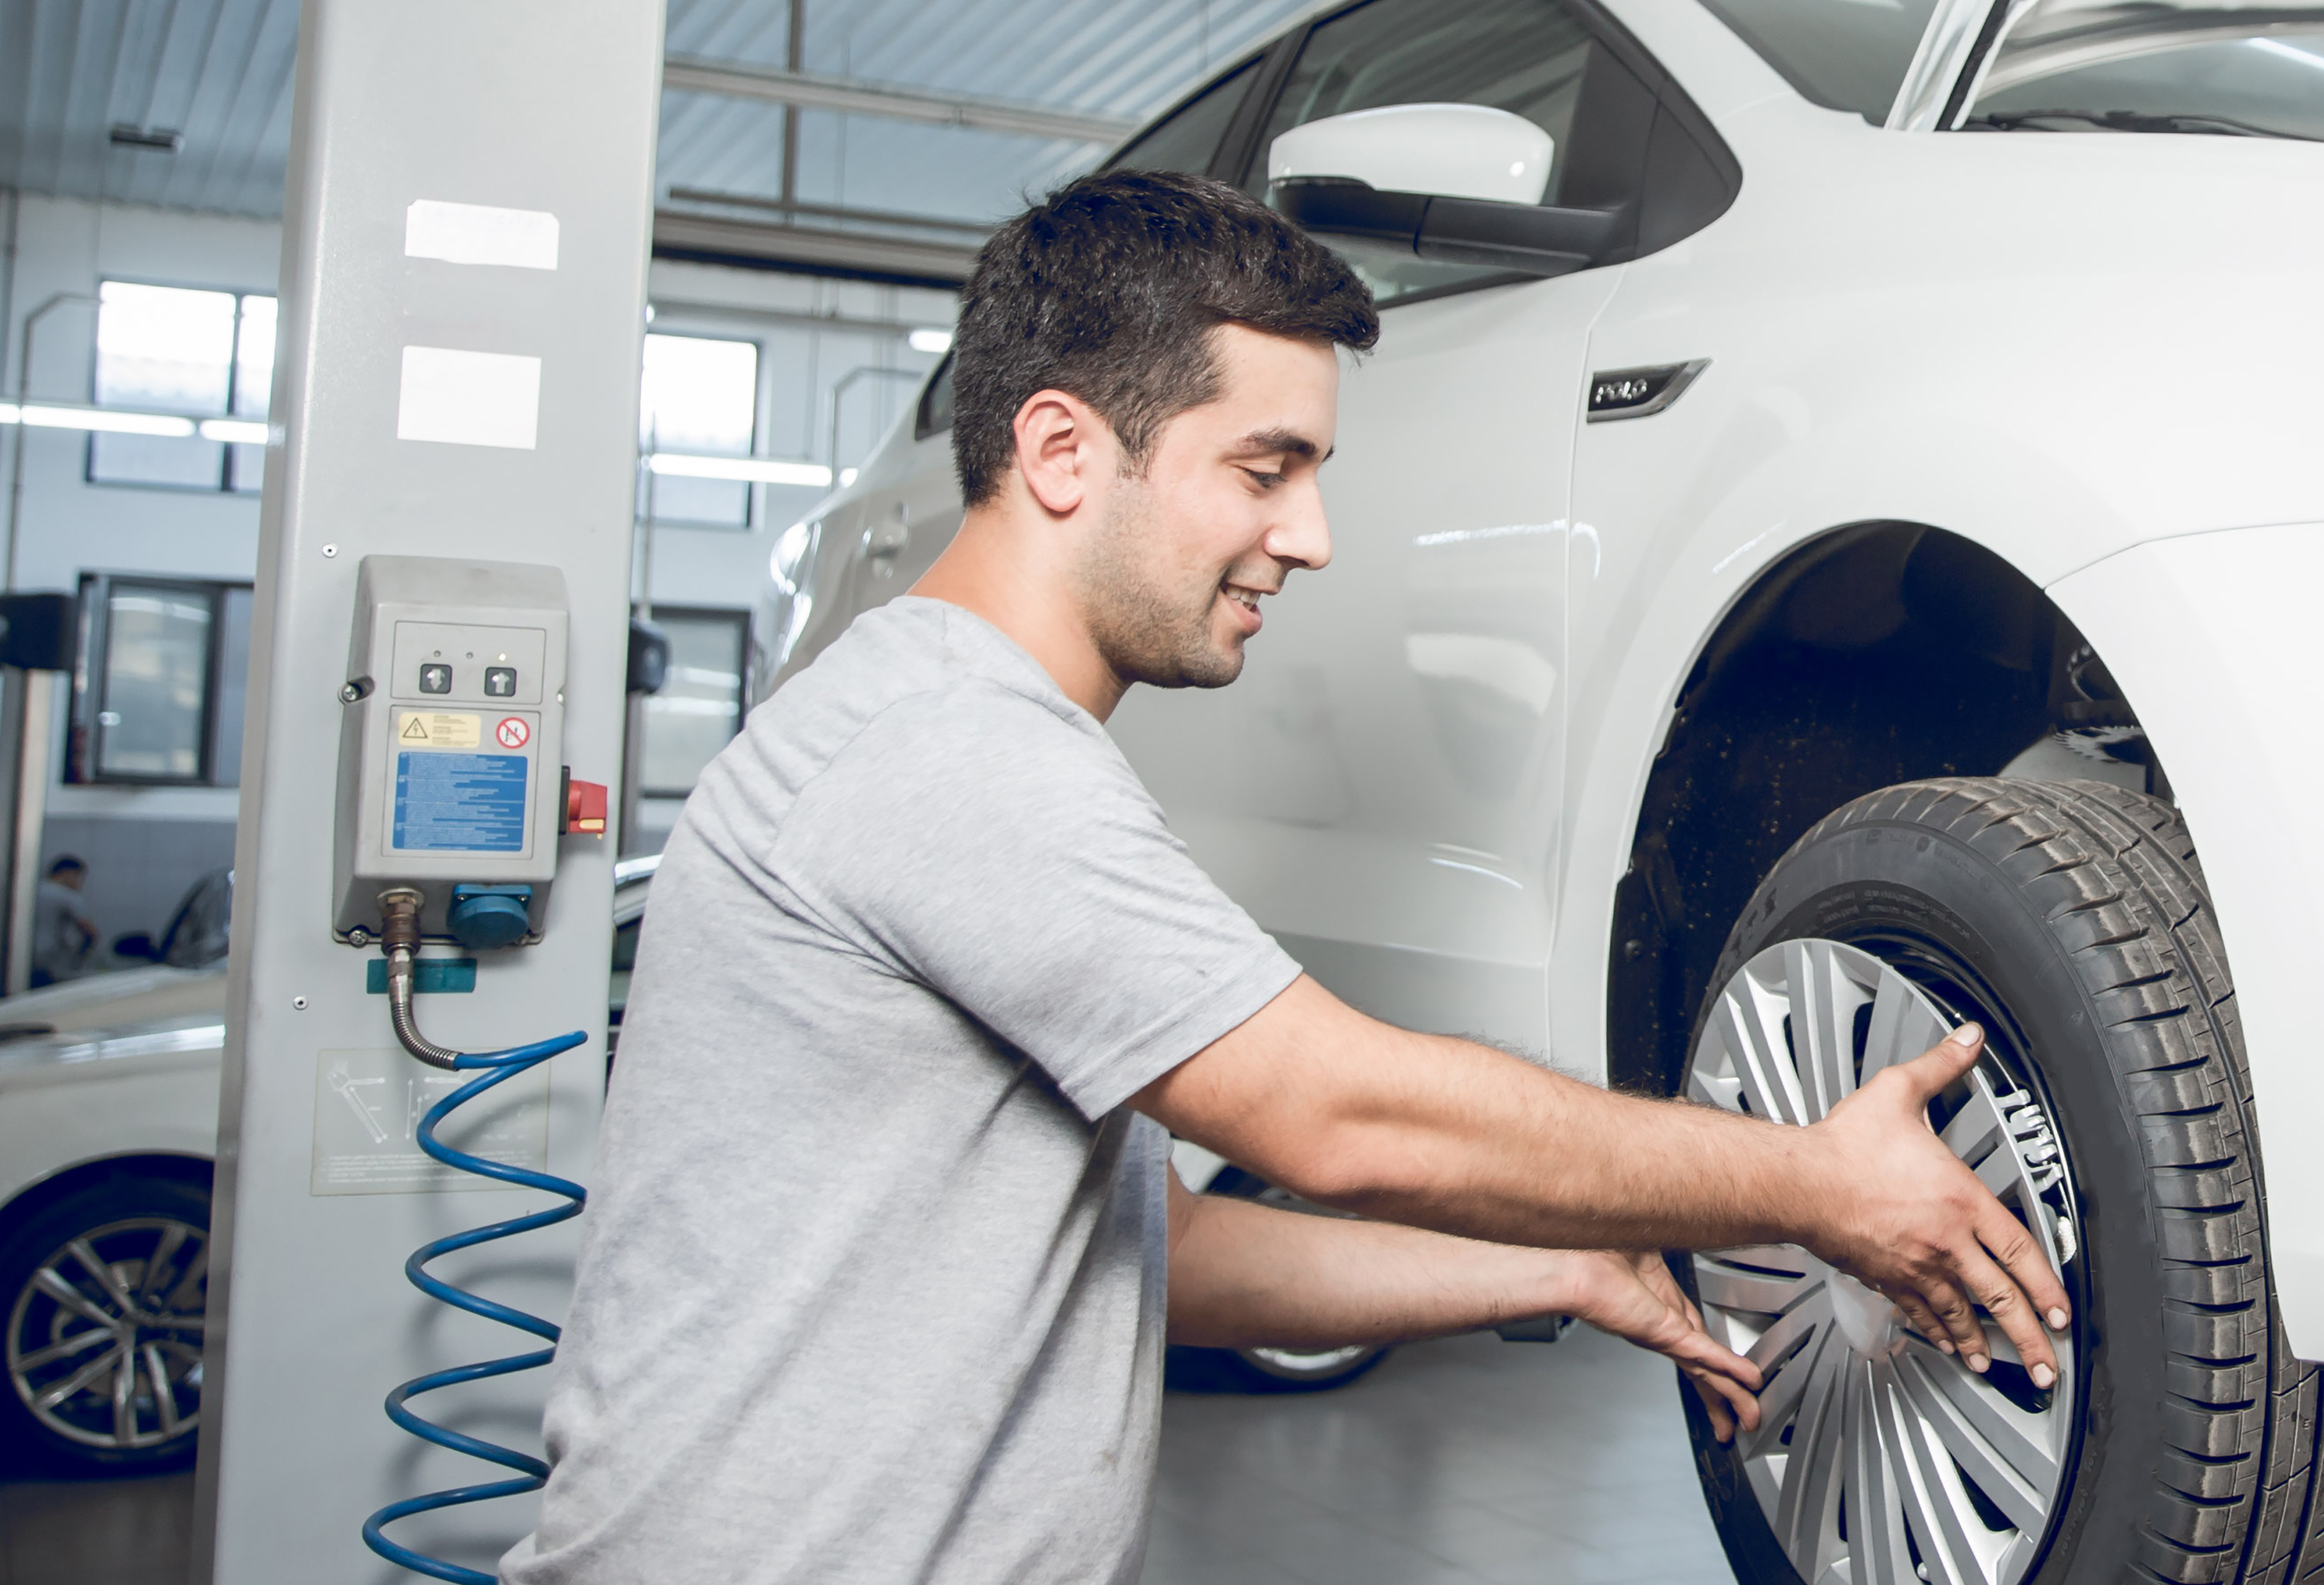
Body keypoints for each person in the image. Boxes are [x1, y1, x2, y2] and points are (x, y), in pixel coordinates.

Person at [510, 172, 2065, 1585]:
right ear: (1061, 450)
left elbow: (1152, 1259)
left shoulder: (945, 733)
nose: (1308, 534)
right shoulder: (946, 753)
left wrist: (1558, 1261)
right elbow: (1339, 1111)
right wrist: (1812, 1176)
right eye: (1265, 467)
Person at [28, 854, 96, 988]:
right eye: (78, 877)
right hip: (48, 961)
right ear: (67, 874)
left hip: (25, 956)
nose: (79, 883)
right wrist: (78, 960)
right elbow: (90, 933)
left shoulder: (32, 890)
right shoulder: (67, 896)